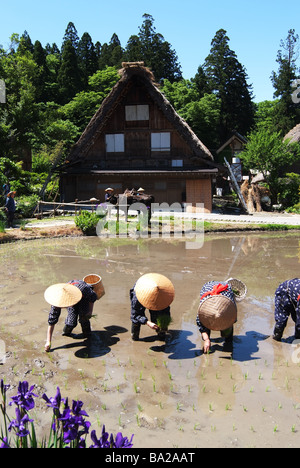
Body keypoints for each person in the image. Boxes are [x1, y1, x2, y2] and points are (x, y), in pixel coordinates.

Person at [44, 279, 98, 352]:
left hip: (83, 298)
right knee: (71, 322)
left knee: (84, 318)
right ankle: (66, 333)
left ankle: (87, 334)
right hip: (71, 298)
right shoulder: (56, 301)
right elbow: (51, 321)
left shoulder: (83, 289)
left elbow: (93, 296)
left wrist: (90, 312)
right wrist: (48, 341)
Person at [196, 279, 246, 354]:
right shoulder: (203, 311)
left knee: (227, 334)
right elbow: (201, 325)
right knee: (206, 326)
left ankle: (228, 342)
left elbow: (233, 320)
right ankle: (207, 344)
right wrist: (206, 339)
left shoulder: (230, 306)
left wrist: (225, 329)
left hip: (226, 292)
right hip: (208, 287)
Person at [130, 273, 175, 341]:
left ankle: (161, 333)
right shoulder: (137, 297)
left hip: (159, 285)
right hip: (142, 290)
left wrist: (164, 324)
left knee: (159, 316)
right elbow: (135, 315)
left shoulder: (165, 294)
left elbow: (165, 311)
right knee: (136, 321)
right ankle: (135, 336)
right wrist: (147, 322)